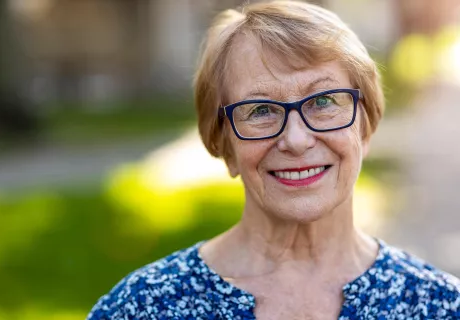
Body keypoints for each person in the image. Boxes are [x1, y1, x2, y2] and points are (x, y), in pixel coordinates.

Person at [87, 1, 460, 319]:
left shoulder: (439, 306)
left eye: (323, 101)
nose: (296, 140)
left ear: (365, 126)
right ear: (224, 143)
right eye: (261, 109)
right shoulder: (141, 307)